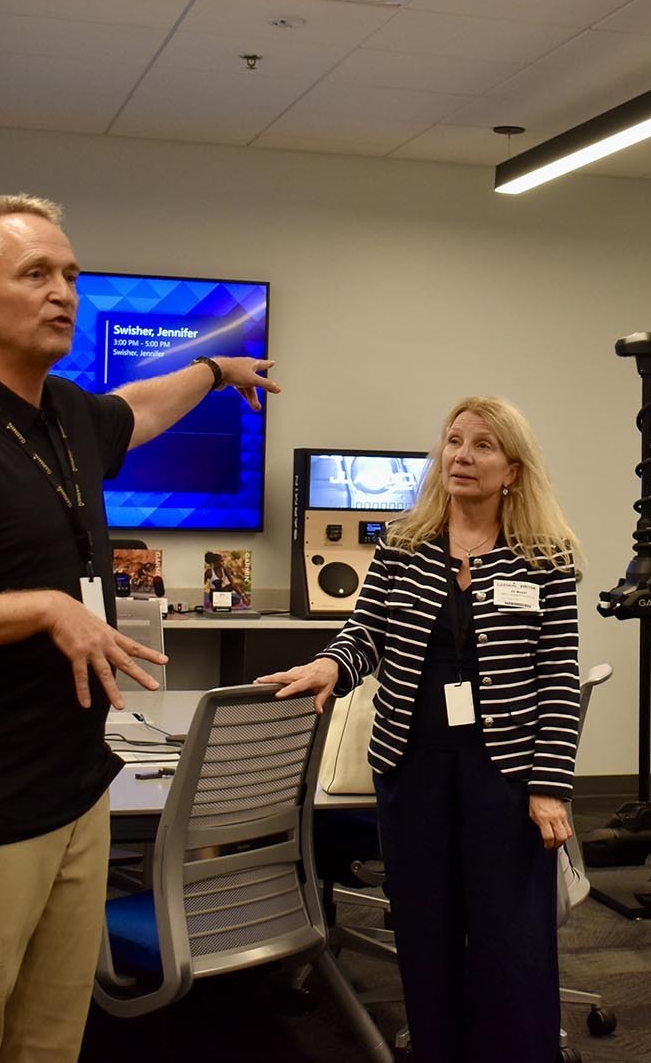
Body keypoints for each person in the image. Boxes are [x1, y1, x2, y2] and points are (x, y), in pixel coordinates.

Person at [0, 193, 279, 1063]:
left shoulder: (64, 416)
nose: (63, 292)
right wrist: (45, 607)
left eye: (71, 274)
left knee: (48, 1039)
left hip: (76, 792)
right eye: (35, 273)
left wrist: (220, 372)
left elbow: (140, 407)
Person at [259, 396, 580, 1063]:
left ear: (512, 469)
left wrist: (550, 785)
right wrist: (329, 664)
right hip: (413, 768)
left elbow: (557, 676)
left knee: (511, 937)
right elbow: (365, 632)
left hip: (506, 773)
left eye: (483, 445)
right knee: (425, 932)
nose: (462, 456)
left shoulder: (546, 559)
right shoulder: (405, 546)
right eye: (454, 441)